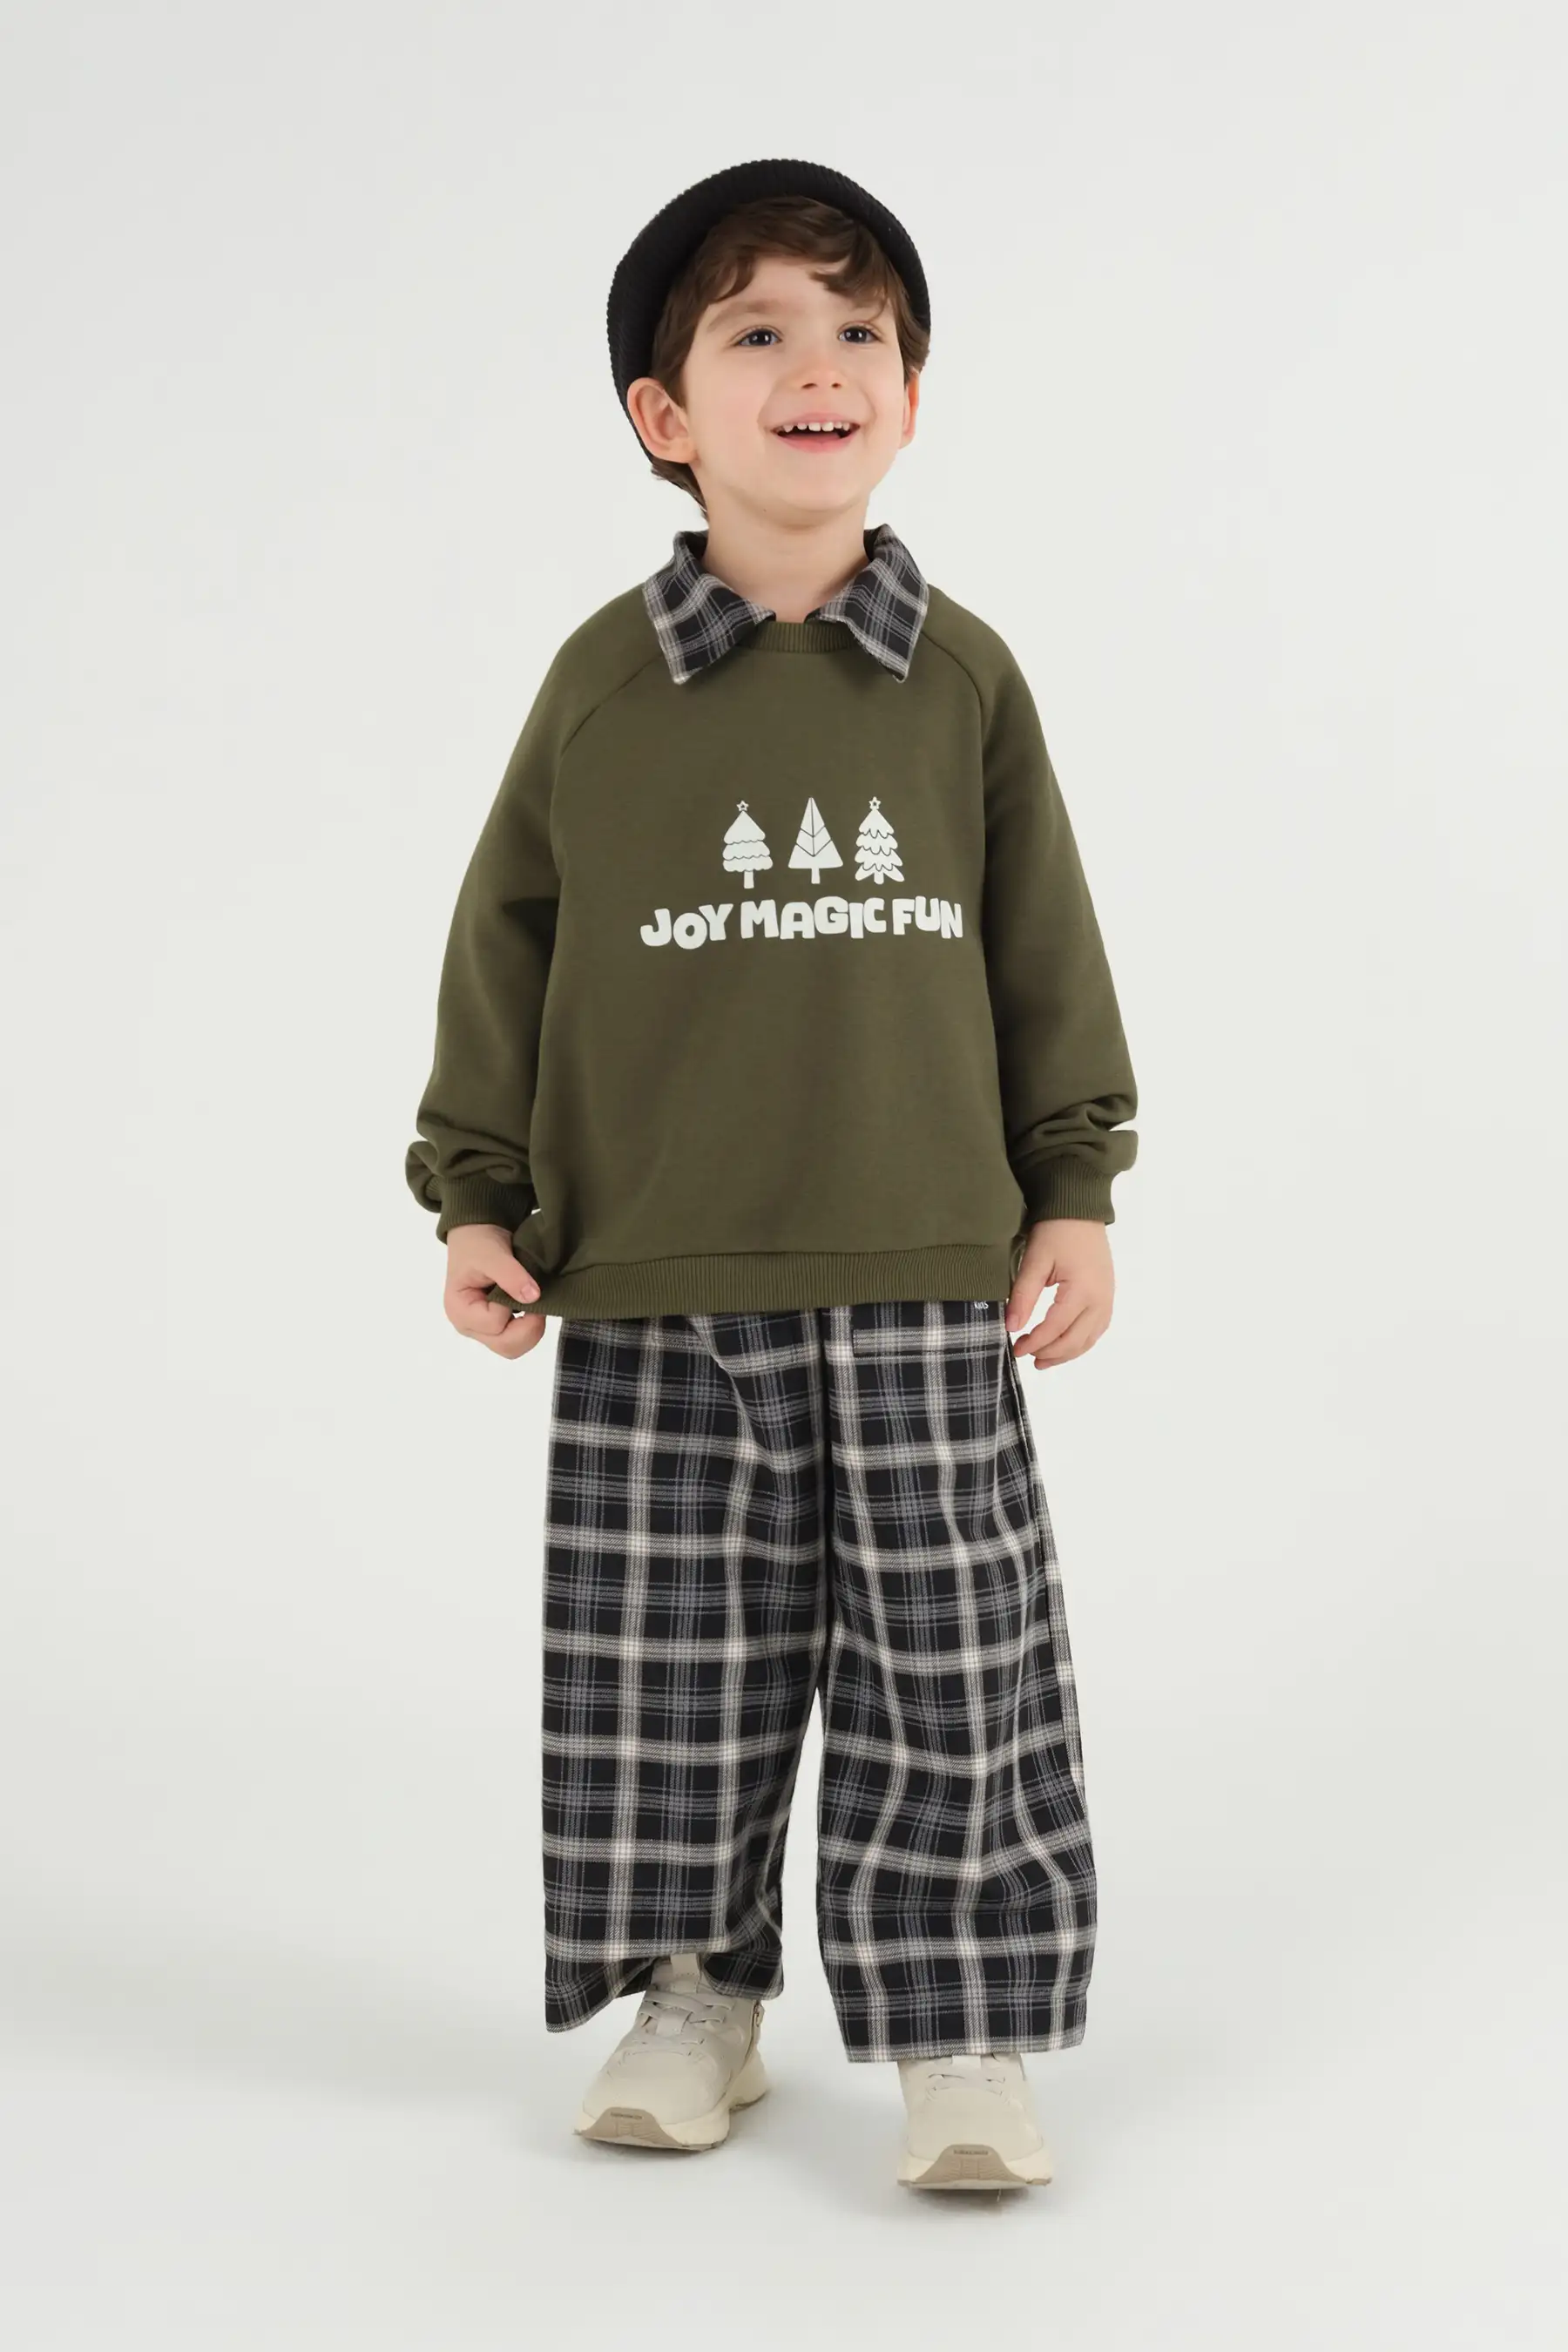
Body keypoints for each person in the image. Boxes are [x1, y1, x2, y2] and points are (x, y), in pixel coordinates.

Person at [404, 158, 1139, 2193]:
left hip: (925, 1265)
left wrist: (1073, 1184)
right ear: (666, 414)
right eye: (760, 330)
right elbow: (507, 939)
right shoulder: (605, 682)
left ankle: (962, 2030)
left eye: (860, 330)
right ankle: (693, 1998)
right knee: (669, 1666)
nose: (821, 366)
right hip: (657, 1272)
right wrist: (478, 1194)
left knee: (953, 1664)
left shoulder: (962, 678)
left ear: (912, 391)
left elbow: (1043, 947)